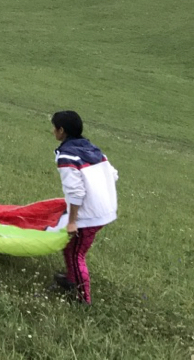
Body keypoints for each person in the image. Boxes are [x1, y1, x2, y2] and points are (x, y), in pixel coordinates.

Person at [50, 110, 118, 305]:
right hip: (104, 209)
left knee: (75, 253)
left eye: (54, 128)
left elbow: (75, 192)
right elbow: (113, 175)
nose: (53, 132)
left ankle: (83, 299)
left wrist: (72, 221)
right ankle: (71, 279)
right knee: (70, 249)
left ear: (61, 130)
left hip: (90, 215)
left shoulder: (67, 156)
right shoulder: (92, 149)